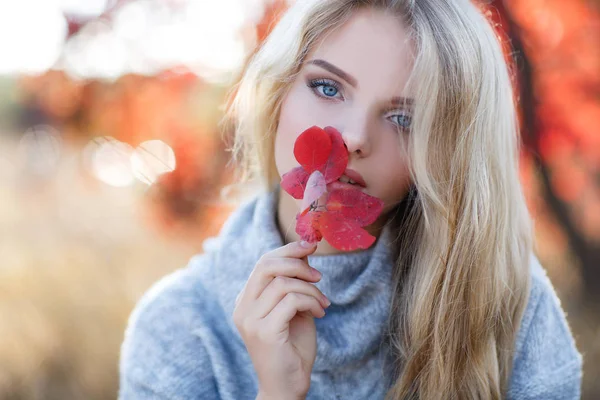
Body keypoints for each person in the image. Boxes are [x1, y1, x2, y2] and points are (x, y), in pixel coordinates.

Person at [118, 0, 583, 399]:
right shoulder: (177, 328)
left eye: (404, 118)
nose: (355, 137)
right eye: (327, 87)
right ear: (278, 91)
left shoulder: (507, 301)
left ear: (446, 155)